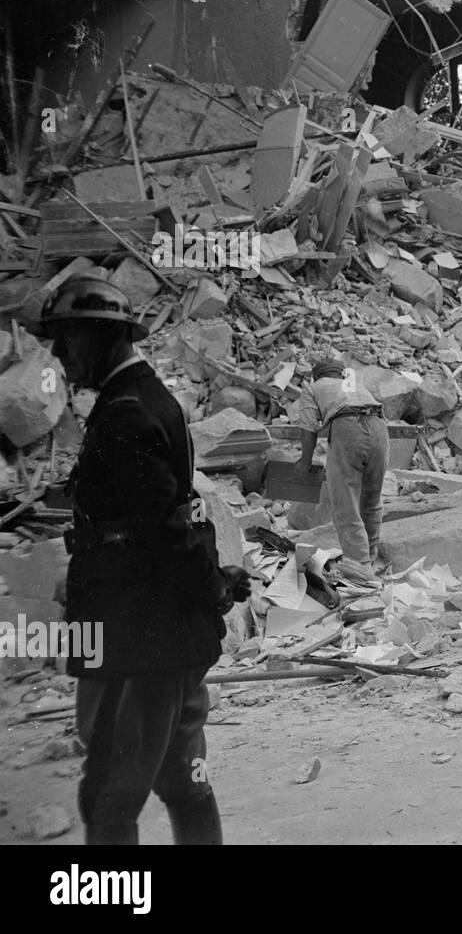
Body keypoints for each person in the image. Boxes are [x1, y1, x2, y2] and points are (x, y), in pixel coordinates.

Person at [39, 276, 250, 845]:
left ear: (103, 338)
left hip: (139, 631)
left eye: (68, 340)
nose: (60, 355)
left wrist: (213, 589)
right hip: (160, 630)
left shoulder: (126, 414)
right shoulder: (142, 400)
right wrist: (213, 588)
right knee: (181, 776)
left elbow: (161, 531)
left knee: (108, 795)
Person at [296, 358, 388, 568]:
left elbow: (309, 428)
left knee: (346, 503)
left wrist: (304, 463)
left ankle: (360, 567)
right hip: (379, 426)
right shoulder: (356, 384)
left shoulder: (314, 387)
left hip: (347, 427)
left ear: (317, 376)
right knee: (372, 499)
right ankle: (371, 558)